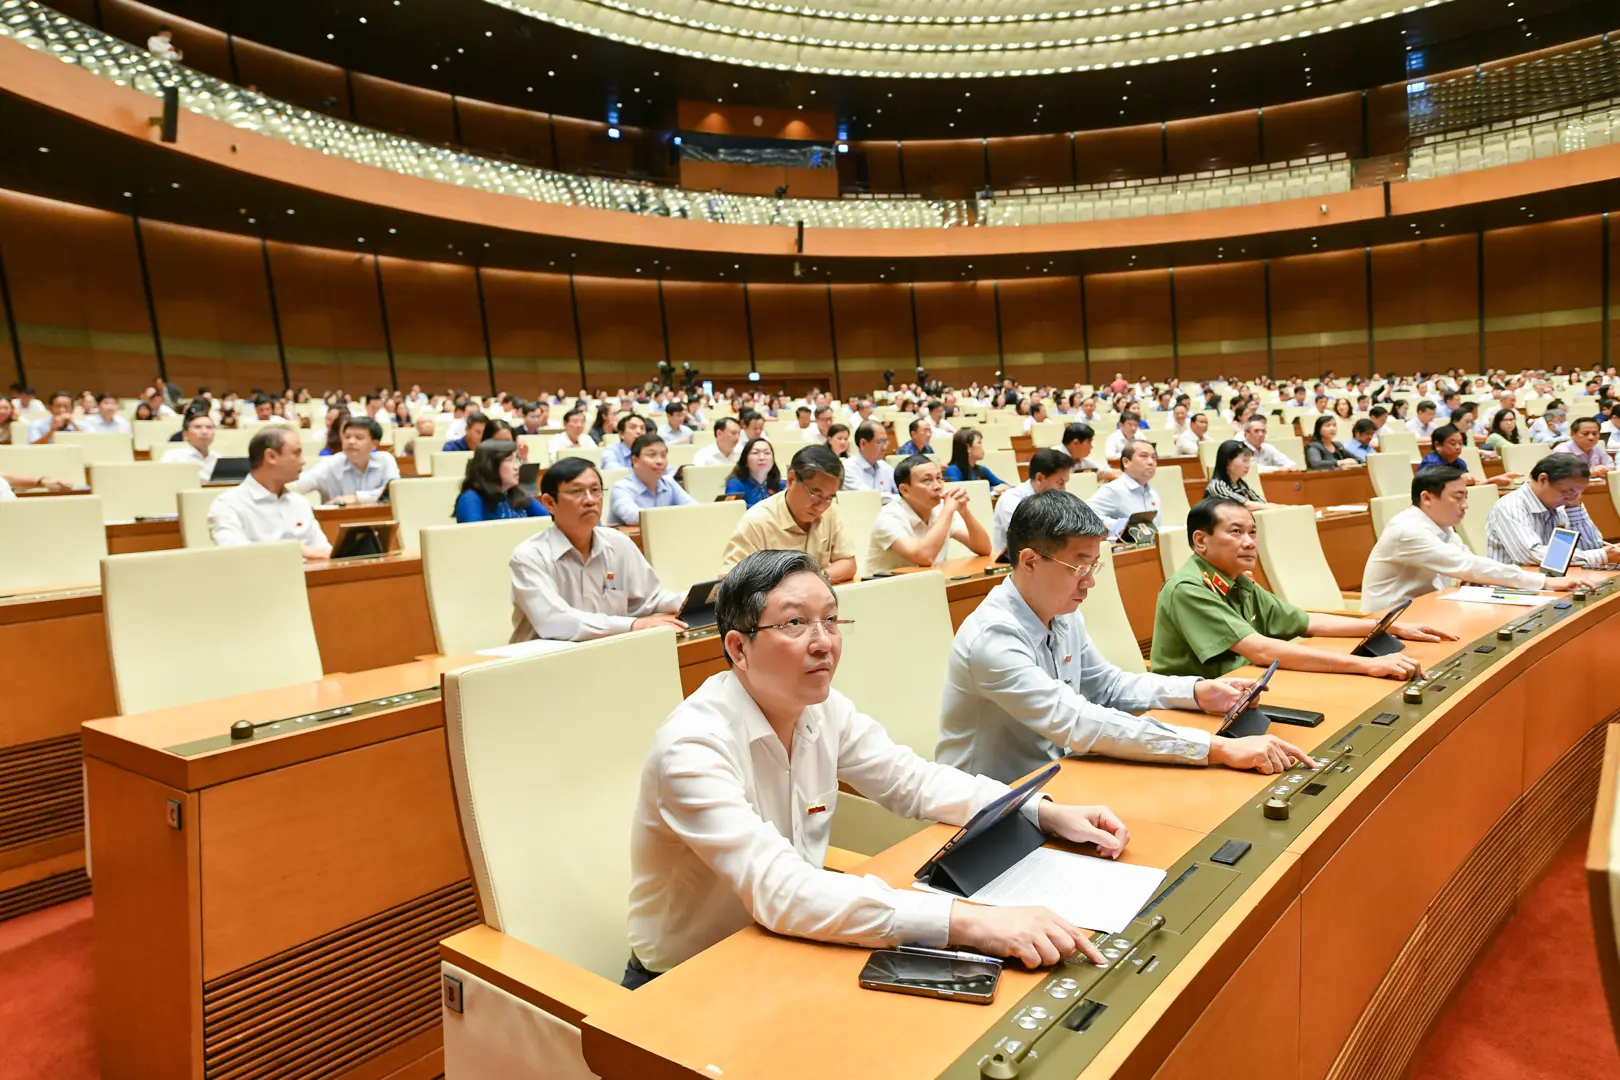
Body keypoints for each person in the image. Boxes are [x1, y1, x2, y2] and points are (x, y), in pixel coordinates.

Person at [625, 548, 1129, 985]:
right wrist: (974, 923)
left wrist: (1038, 811)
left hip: (793, 940)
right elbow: (778, 890)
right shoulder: (692, 747)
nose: (823, 641)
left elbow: (911, 781)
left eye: (830, 619)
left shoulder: (822, 707)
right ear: (738, 647)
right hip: (689, 978)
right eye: (795, 623)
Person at [940, 490, 1310, 782]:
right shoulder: (994, 637)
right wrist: (1217, 749)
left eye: (1094, 564)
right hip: (990, 803)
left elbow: (1109, 688)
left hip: (1060, 779)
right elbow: (1077, 722)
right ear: (1031, 561)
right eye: (1079, 566)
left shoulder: (1063, 613)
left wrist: (1196, 692)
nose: (1090, 581)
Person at [1150, 498, 1454, 680]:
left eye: (1252, 532)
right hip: (1191, 707)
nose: (1249, 542)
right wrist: (1366, 665)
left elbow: (1308, 622)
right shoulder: (1189, 588)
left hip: (1242, 688)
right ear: (1201, 541)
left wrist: (1387, 626)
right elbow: (1261, 649)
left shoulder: (1238, 581)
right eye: (1236, 532)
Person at [509, 458, 685, 642]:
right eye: (577, 492)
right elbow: (555, 622)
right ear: (550, 503)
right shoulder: (530, 556)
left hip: (610, 651)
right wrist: (632, 625)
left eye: (595, 490)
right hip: (544, 662)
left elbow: (650, 599)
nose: (590, 500)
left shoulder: (618, 543)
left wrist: (698, 598)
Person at [1361, 466, 1583, 611]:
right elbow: (1467, 565)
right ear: (1427, 498)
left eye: (1466, 496)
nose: (1466, 505)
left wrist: (1473, 577)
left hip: (1426, 609)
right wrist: (1545, 582)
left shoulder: (1442, 526)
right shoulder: (1407, 530)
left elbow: (1467, 562)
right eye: (1458, 497)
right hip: (1389, 622)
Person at [719, 445, 855, 583]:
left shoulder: (831, 511)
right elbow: (729, 582)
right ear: (791, 480)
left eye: (829, 498)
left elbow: (848, 564)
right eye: (815, 494)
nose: (820, 506)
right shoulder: (757, 521)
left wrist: (816, 579)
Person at [207, 426, 332, 559]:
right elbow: (234, 555)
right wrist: (299, 551)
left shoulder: (299, 502)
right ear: (271, 456)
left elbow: (324, 551)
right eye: (296, 453)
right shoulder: (228, 504)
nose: (303, 461)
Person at [1485, 453, 1620, 570]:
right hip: (1513, 588)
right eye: (1567, 491)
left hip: (1553, 580)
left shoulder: (1564, 504)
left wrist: (1574, 509)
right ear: (1543, 479)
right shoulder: (1511, 506)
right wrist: (1601, 555)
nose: (1572, 498)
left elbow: (1591, 547)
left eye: (1578, 492)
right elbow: (1532, 556)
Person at [867, 454, 991, 573]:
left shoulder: (941, 509)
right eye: (927, 480)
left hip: (930, 585)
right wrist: (948, 511)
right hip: (889, 591)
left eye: (939, 478)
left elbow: (984, 548)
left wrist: (965, 512)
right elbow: (923, 557)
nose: (937, 486)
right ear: (905, 490)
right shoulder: (888, 518)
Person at [289, 417, 399, 505]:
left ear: (374, 444)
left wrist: (357, 498)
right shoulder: (331, 464)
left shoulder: (386, 460)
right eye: (347, 437)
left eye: (358, 437)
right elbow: (300, 484)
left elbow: (396, 493)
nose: (351, 441)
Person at [990, 449, 1072, 555]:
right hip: (1013, 565)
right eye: (1060, 482)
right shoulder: (1011, 500)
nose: (1064, 489)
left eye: (1065, 483)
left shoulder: (1057, 500)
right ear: (1039, 478)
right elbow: (1027, 540)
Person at [607, 435, 697, 526]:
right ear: (635, 461)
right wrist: (678, 515)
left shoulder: (669, 483)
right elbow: (634, 517)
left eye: (663, 455)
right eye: (652, 455)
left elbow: (695, 509)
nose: (660, 461)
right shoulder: (621, 488)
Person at [454, 440, 551, 523]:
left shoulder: (517, 493)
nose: (517, 466)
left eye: (517, 459)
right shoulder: (471, 499)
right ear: (490, 466)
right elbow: (473, 539)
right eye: (509, 460)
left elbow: (548, 522)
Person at [1087, 439, 1161, 539]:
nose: (1151, 462)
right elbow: (1086, 515)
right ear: (1126, 462)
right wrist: (1121, 525)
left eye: (1154, 457)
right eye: (1144, 456)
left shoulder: (1152, 492)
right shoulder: (1114, 490)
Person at [1419, 424, 1518, 487]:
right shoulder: (1430, 464)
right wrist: (1459, 481)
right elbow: (1434, 490)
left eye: (1460, 443)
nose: (1458, 447)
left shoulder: (1459, 463)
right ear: (1437, 445)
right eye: (1452, 443)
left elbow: (1471, 486)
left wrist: (1493, 480)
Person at [1204, 440, 1269, 510]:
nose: (1248, 465)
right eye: (1244, 460)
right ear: (1228, 462)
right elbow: (1246, 506)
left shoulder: (1241, 484)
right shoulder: (1217, 486)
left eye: (1249, 460)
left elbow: (1261, 503)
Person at [942, 428, 1009, 492]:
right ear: (968, 448)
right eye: (979, 443)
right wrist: (992, 489)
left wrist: (1003, 487)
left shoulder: (982, 469)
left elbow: (1003, 485)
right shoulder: (952, 470)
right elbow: (958, 492)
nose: (982, 447)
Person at [723, 438, 784, 508]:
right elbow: (734, 507)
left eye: (767, 453)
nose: (762, 457)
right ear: (745, 459)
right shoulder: (735, 483)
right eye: (755, 453)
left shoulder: (780, 485)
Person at [160, 411, 219, 480]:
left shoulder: (218, 458)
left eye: (209, 427)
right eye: (198, 427)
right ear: (185, 434)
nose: (204, 432)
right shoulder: (173, 457)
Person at [841, 421, 896, 496]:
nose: (885, 447)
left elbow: (901, 492)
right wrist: (898, 499)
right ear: (863, 444)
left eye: (886, 442)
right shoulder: (847, 469)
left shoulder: (885, 467)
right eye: (880, 442)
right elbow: (870, 497)